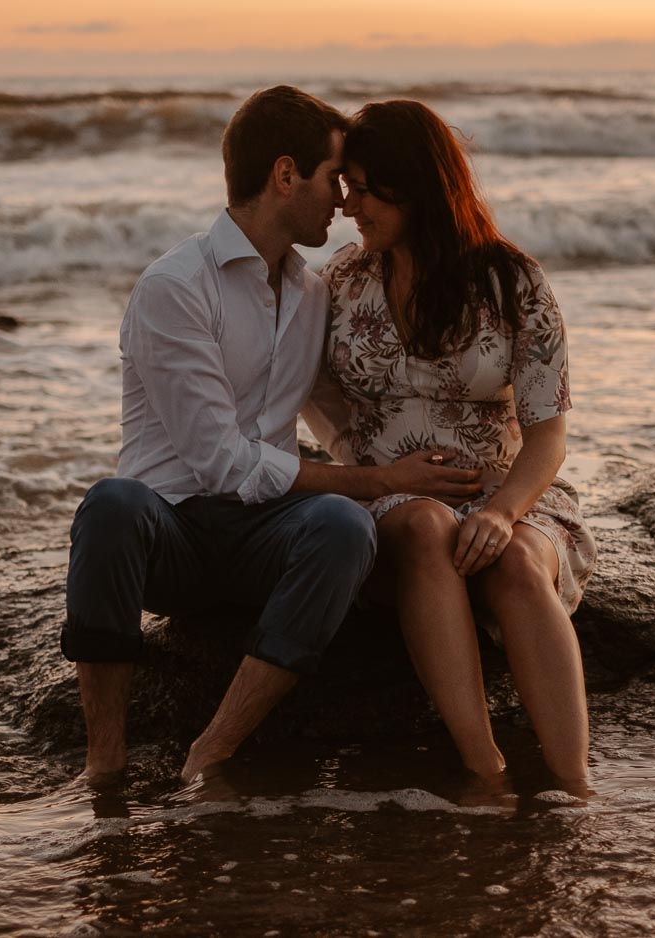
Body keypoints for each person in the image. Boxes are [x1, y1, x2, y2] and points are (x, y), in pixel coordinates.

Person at [62, 87, 482, 786]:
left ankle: (213, 749)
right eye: (333, 179)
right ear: (286, 175)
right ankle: (104, 760)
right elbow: (221, 464)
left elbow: (344, 408)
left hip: (268, 539)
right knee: (111, 505)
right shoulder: (175, 287)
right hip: (175, 534)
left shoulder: (314, 292)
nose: (344, 201)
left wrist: (431, 483)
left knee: (345, 527)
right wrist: (381, 479)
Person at [305, 100, 599, 787]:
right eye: (348, 186)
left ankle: (575, 785)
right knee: (423, 524)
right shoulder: (344, 281)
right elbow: (313, 390)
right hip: (389, 495)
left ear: (421, 186)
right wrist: (359, 458)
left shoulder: (512, 281)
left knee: (519, 562)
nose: (351, 205)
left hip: (507, 488)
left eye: (368, 188)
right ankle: (485, 769)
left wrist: (503, 513)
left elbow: (548, 431)